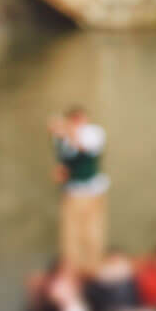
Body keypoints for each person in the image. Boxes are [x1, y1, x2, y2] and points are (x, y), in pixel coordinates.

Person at [49, 106, 108, 275]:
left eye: (79, 120)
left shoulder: (94, 133)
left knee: (93, 231)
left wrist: (65, 131)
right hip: (71, 191)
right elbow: (63, 160)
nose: (77, 124)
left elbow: (84, 149)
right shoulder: (60, 138)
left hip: (91, 190)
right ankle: (73, 269)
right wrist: (60, 172)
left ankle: (93, 267)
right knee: (70, 234)